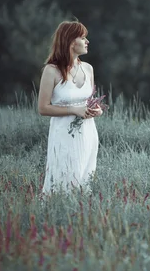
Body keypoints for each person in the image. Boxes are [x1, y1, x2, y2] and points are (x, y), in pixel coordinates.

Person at [37, 20, 102, 197]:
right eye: (83, 37)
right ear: (71, 41)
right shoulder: (51, 71)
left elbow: (90, 102)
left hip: (88, 134)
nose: (87, 41)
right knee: (63, 181)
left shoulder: (88, 68)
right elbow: (43, 108)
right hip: (64, 136)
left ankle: (79, 220)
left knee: (84, 182)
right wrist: (74, 110)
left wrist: (97, 111)